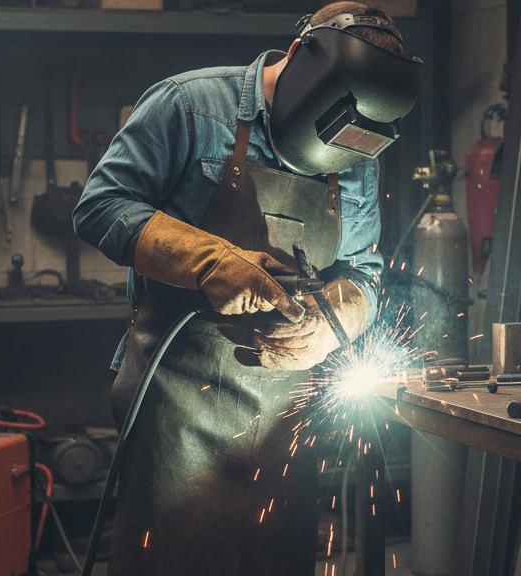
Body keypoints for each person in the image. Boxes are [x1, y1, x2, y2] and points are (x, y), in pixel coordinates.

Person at [73, 3, 421, 574]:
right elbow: (100, 207)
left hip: (285, 424)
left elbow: (364, 275)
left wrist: (332, 322)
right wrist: (210, 261)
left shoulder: (359, 154)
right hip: (177, 410)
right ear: (295, 61)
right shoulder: (190, 107)